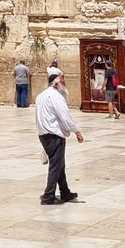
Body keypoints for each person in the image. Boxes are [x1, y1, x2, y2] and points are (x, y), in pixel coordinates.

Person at [35, 73, 83, 205]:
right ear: (56, 84)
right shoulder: (56, 96)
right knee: (56, 166)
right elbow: (64, 115)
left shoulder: (40, 96)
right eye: (62, 81)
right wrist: (76, 131)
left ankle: (65, 193)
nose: (65, 84)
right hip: (54, 135)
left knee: (59, 164)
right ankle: (48, 196)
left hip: (43, 134)